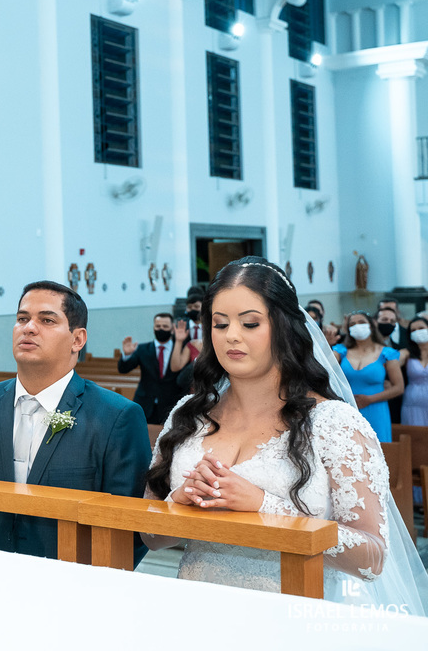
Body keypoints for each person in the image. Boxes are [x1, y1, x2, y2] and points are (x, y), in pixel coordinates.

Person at [144, 257, 427, 613]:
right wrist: (180, 502)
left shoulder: (333, 424)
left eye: (249, 323)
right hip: (198, 609)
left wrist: (265, 507)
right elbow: (151, 537)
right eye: (220, 324)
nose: (232, 335)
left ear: (284, 328)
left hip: (298, 612)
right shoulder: (187, 416)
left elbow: (371, 559)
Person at [0, 281, 151, 565]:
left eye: (47, 320)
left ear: (77, 340)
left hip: (73, 588)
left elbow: (129, 527)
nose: (29, 327)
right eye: (22, 318)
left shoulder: (116, 417)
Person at [333, 311, 404, 442]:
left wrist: (370, 399)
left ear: (371, 325)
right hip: (348, 410)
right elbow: (324, 369)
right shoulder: (341, 352)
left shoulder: (386, 353)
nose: (357, 326)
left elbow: (399, 387)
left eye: (361, 322)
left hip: (376, 409)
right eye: (352, 324)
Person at [117, 313, 194, 424]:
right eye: (158, 326)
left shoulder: (182, 350)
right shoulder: (143, 349)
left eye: (165, 326)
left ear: (172, 328)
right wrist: (127, 355)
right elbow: (123, 369)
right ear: (153, 328)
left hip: (171, 405)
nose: (161, 329)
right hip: (145, 404)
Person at [402, 316, 428, 426]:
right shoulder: (406, 353)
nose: (417, 332)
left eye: (421, 328)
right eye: (413, 330)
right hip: (413, 405)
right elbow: (390, 363)